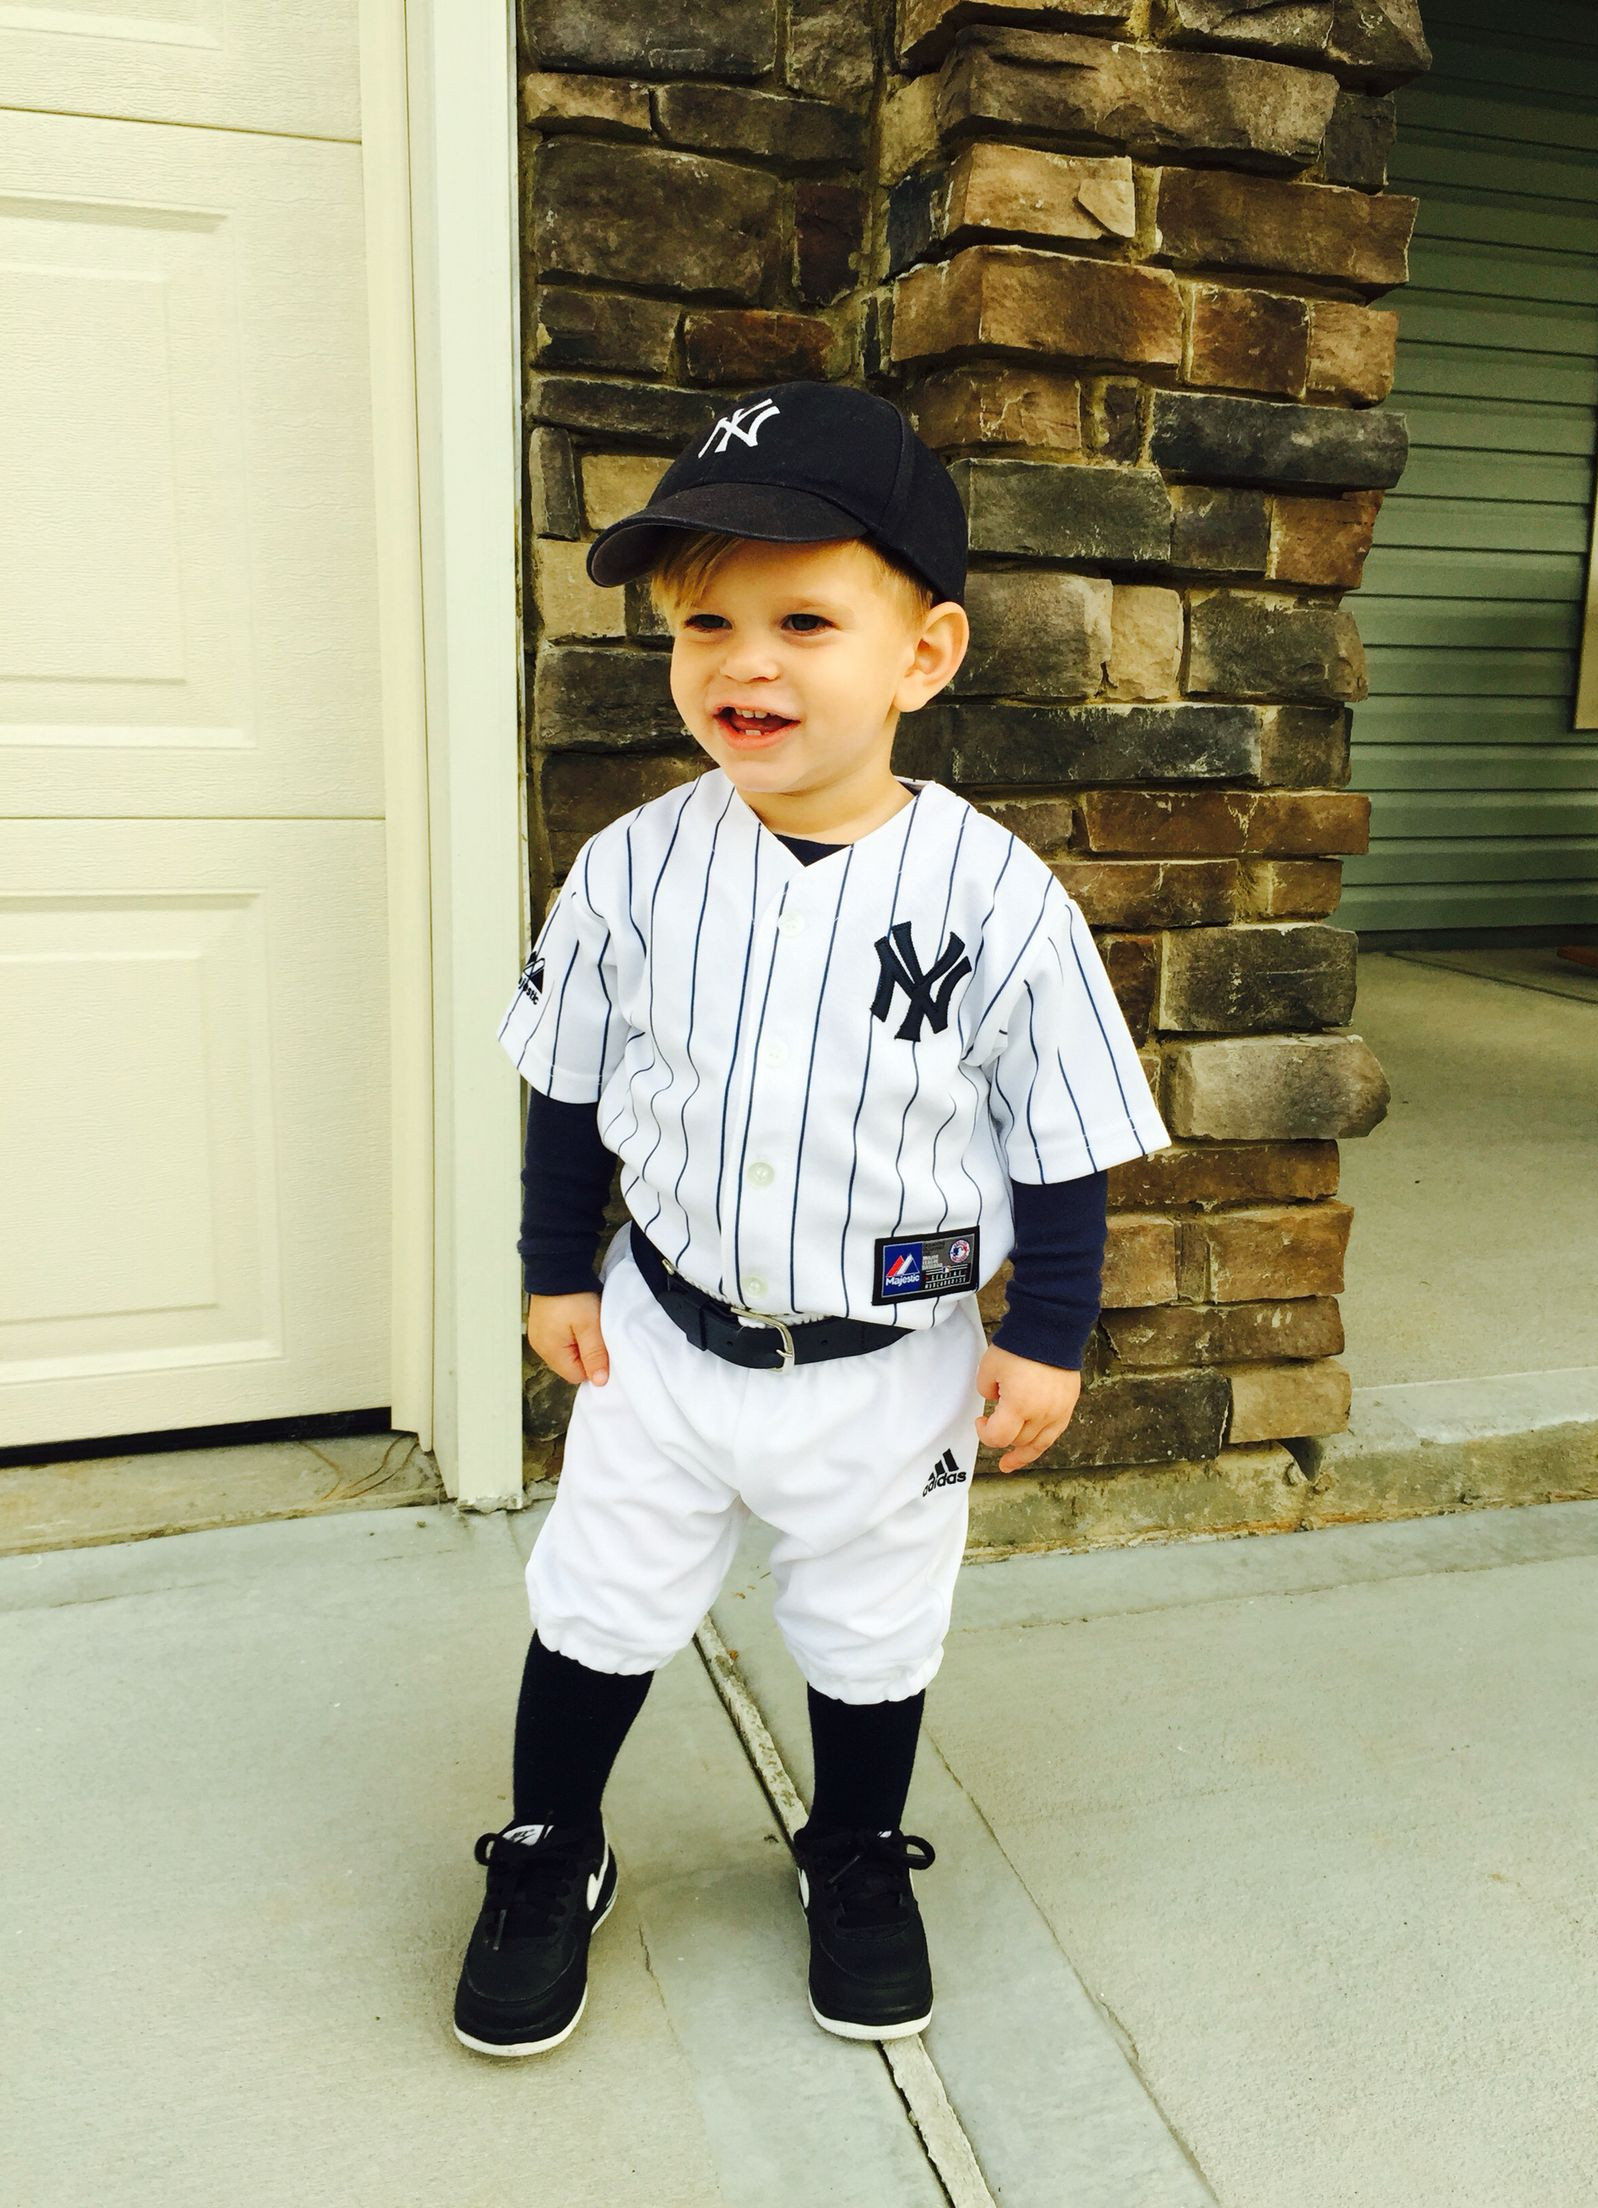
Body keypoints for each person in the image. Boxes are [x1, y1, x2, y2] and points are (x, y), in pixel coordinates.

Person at [452, 381, 1171, 2058]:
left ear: (924, 654)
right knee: (599, 1601)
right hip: (664, 1338)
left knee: (869, 1622)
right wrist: (559, 1268)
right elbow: (568, 1082)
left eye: (802, 617)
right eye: (704, 617)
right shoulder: (633, 864)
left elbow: (1060, 1137)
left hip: (891, 1360)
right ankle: (553, 1842)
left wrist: (1048, 1334)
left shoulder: (998, 896)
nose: (741, 660)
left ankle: (852, 1849)